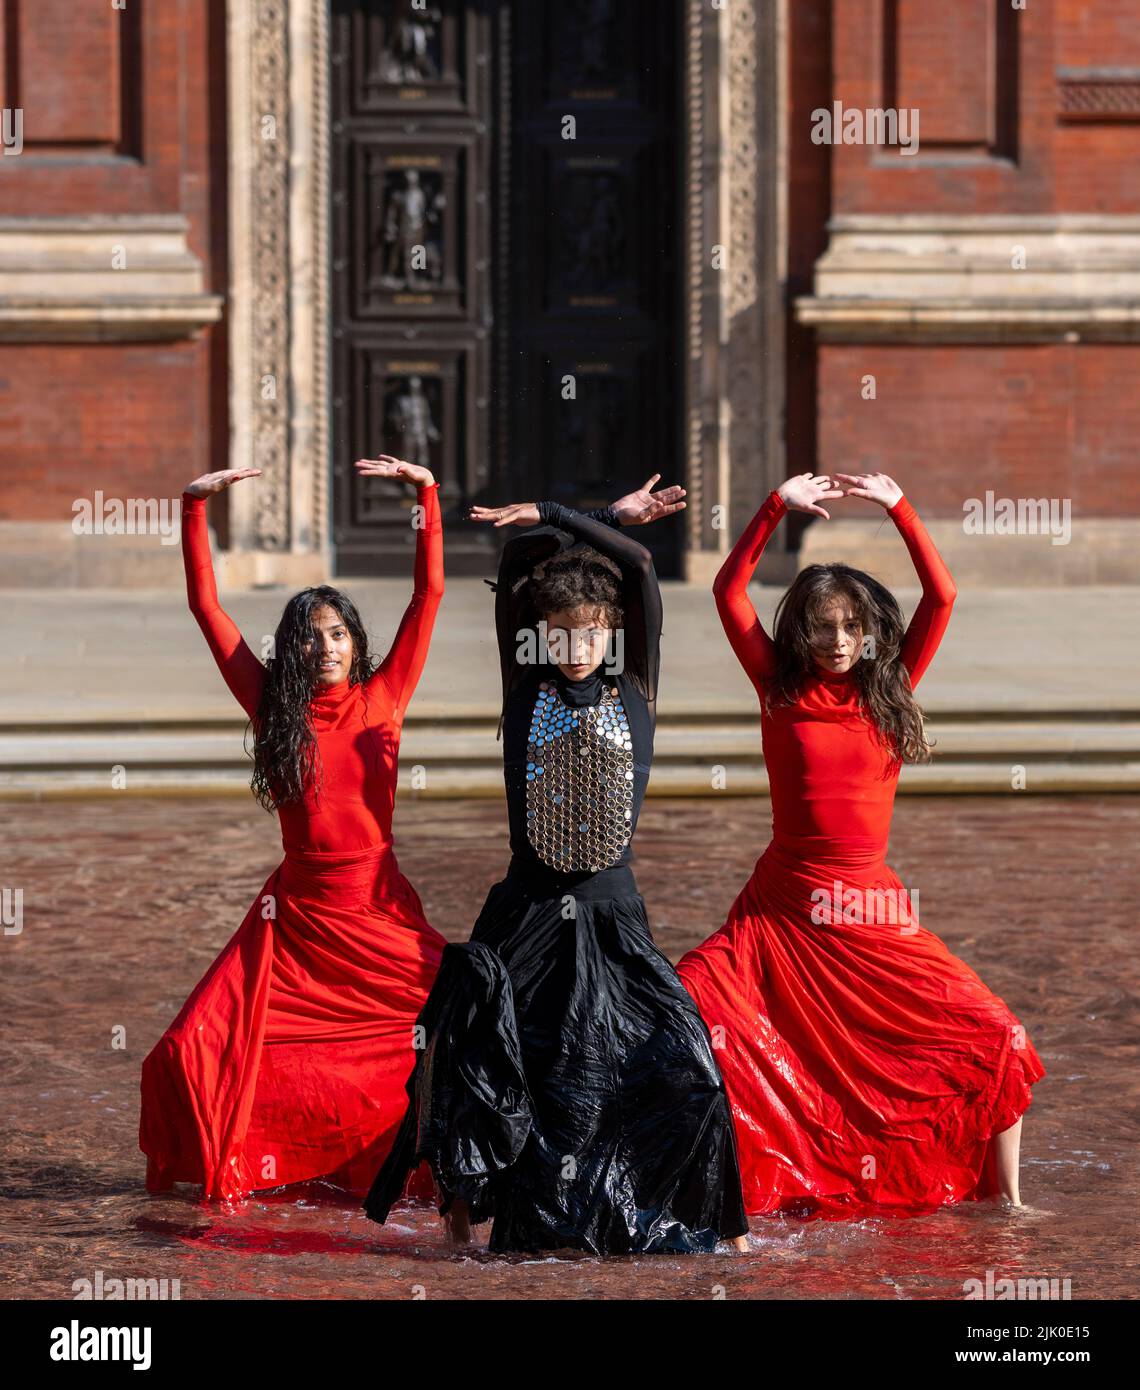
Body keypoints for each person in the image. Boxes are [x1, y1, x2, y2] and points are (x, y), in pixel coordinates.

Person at [364, 476, 749, 1253]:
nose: (575, 650)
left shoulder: (638, 685)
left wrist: (576, 516)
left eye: (589, 634)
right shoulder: (526, 684)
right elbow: (516, 569)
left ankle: (723, 1228)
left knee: (689, 1068)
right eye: (561, 635)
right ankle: (463, 1226)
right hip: (528, 918)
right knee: (482, 1060)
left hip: (614, 921)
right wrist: (571, 522)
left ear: (610, 633)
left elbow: (640, 566)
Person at [678, 471, 1046, 1219]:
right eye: (823, 626)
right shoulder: (778, 688)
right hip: (779, 911)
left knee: (998, 1034)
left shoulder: (891, 686)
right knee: (686, 1009)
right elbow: (728, 593)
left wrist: (899, 506)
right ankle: (710, 1194)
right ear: (801, 630)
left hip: (868, 905)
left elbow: (941, 597)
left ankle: (1006, 1202)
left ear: (871, 629)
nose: (838, 641)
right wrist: (775, 506)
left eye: (851, 626)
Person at [140, 456, 446, 1202]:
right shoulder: (272, 709)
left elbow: (428, 594)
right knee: (193, 1048)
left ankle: (412, 1173)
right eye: (312, 637)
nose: (328, 647)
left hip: (376, 909)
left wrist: (426, 497)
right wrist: (192, 510)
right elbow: (208, 613)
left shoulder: (385, 699)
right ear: (293, 648)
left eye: (339, 633)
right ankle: (268, 1163)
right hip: (295, 917)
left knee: (442, 1035)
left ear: (355, 642)